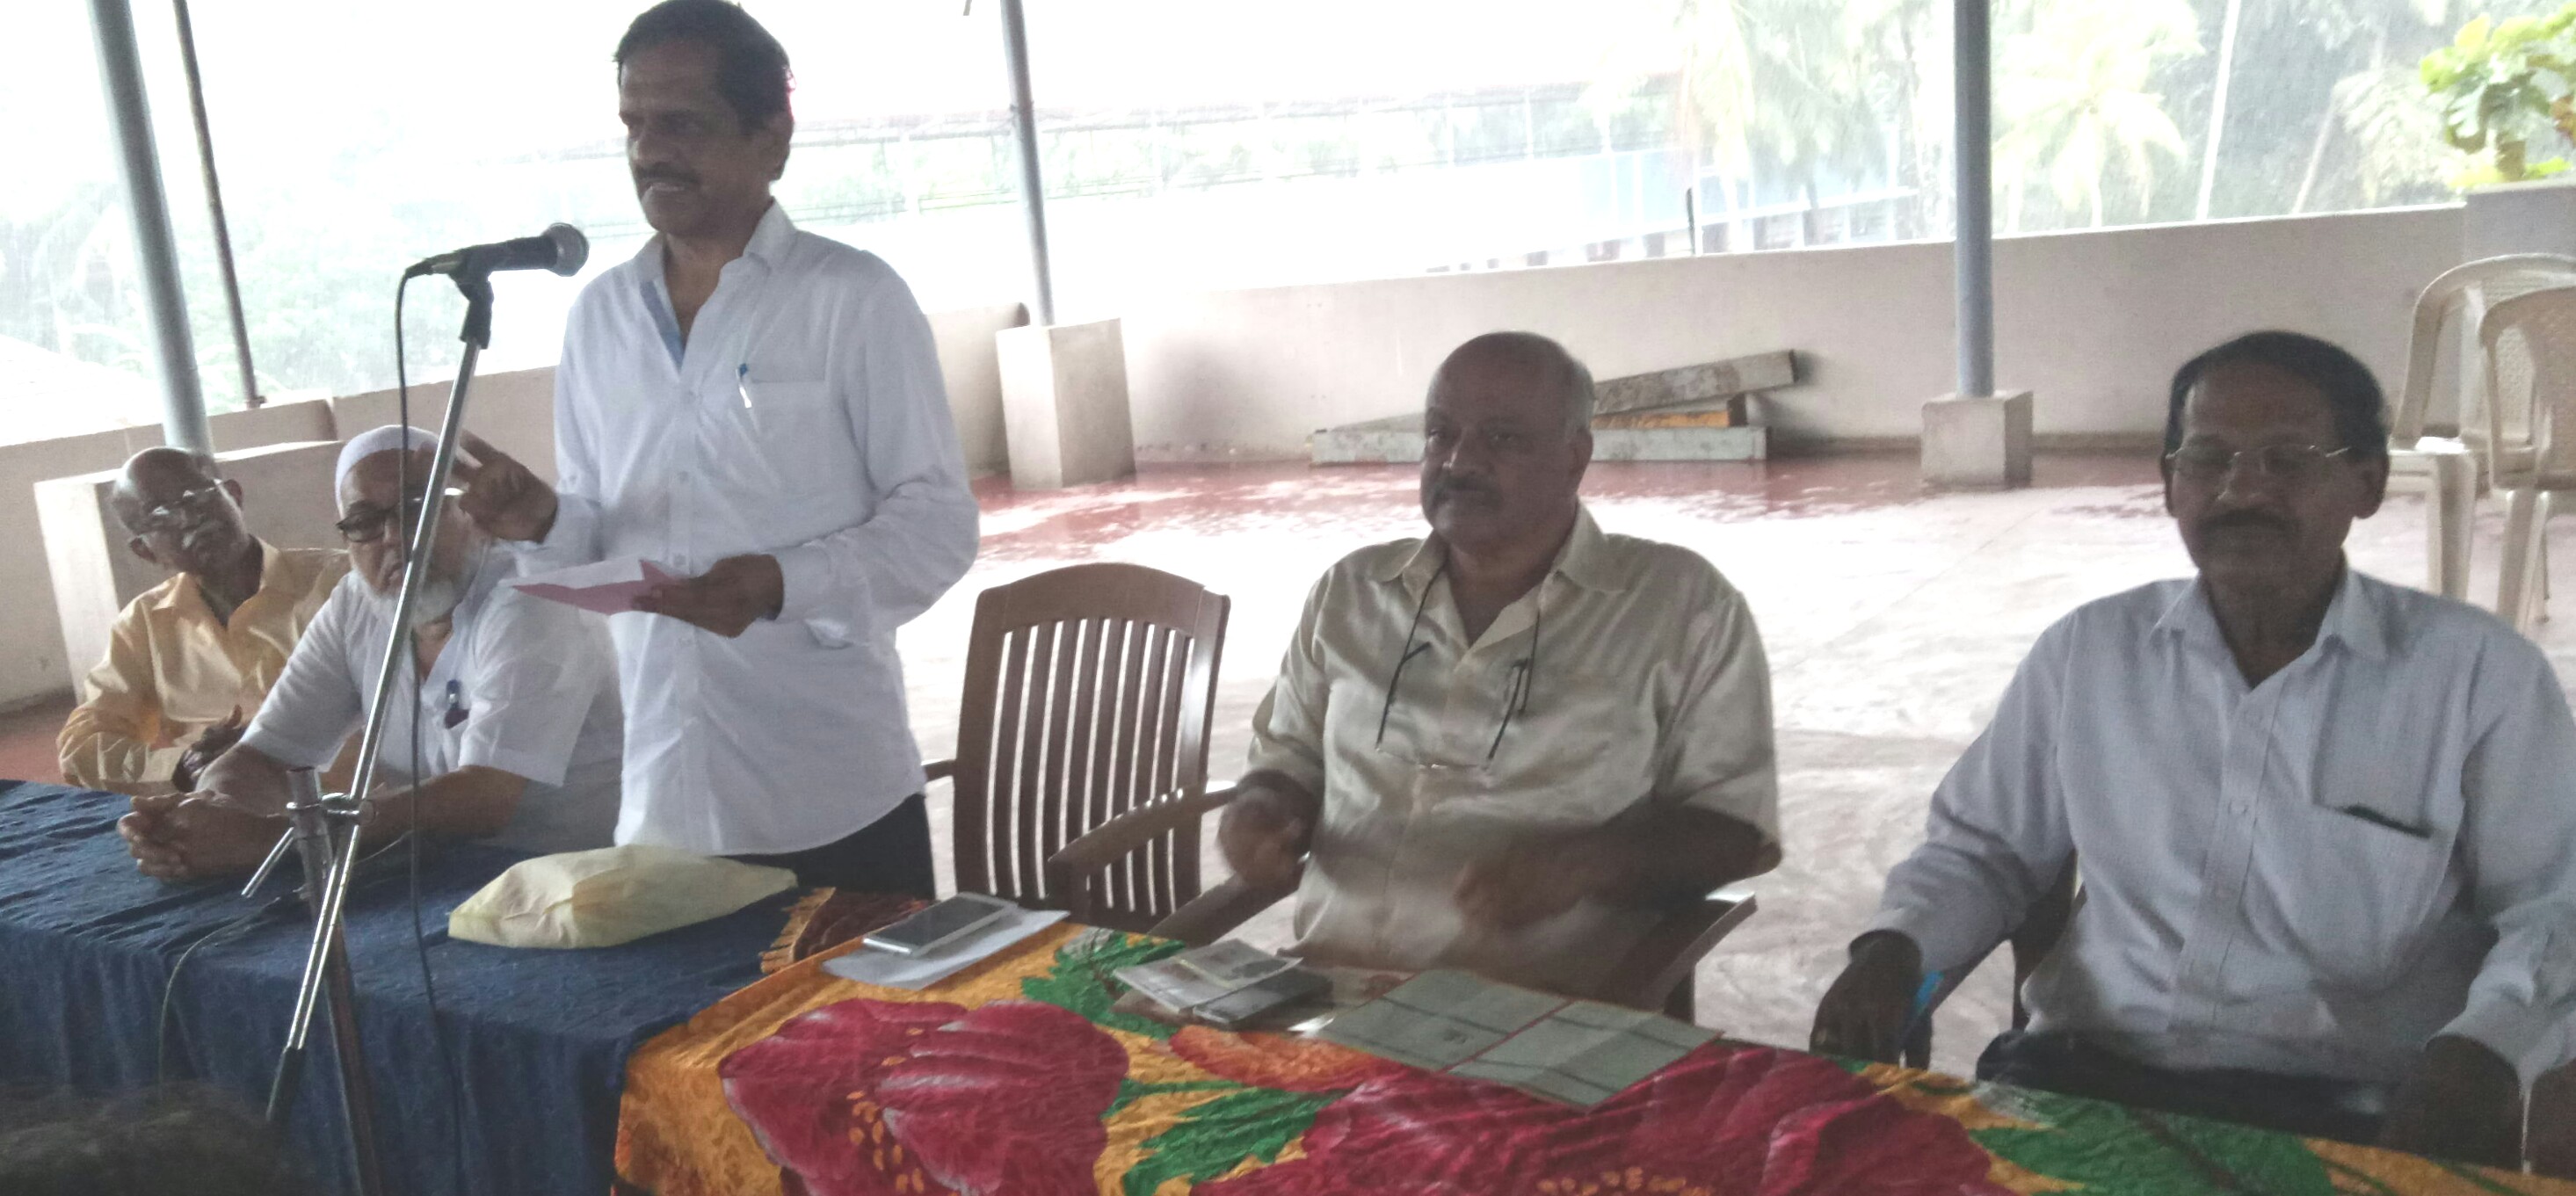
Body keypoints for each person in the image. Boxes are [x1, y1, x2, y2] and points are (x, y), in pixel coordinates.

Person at [1810, 331, 2576, 1165]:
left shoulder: (2475, 675)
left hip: (2357, 1108)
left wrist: (2483, 1052)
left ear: (2367, 482)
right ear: (2169, 482)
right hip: (2086, 1079)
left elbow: (2554, 904)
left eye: (2286, 459)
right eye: (2207, 458)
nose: (2241, 489)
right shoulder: (2090, 652)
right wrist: (1894, 951)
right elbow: (1984, 849)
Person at [454, 0, 976, 894]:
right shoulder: (601, 318)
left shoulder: (853, 298)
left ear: (771, 137)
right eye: (634, 125)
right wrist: (544, 519)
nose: (649, 151)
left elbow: (936, 525)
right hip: (665, 805)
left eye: (682, 124)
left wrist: (780, 582)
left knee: (857, 997)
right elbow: (602, 531)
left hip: (831, 797)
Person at [1217, 331, 1781, 999]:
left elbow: (1734, 829)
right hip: (1325, 993)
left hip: (1535, 1013)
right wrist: (1258, 812)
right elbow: (1287, 759)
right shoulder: (1351, 592)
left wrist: (1585, 865)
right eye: (1440, 433)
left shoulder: (1679, 606)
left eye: (1503, 438)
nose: (1459, 460)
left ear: (1574, 458)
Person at [115, 427, 623, 880]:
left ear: (474, 518)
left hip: (581, 878)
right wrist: (205, 813)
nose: (396, 538)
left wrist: (277, 837)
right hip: (440, 878)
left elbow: (486, 797)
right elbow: (267, 755)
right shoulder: (357, 603)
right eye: (364, 522)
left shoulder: (530, 598)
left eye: (417, 508)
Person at [58, 447, 349, 797]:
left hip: (345, 800)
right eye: (162, 515)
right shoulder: (144, 625)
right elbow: (81, 746)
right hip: (216, 808)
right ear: (145, 551)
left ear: (234, 495)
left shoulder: (340, 584)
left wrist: (269, 744)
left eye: (197, 497)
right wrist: (180, 766)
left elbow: (398, 703)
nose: (190, 519)